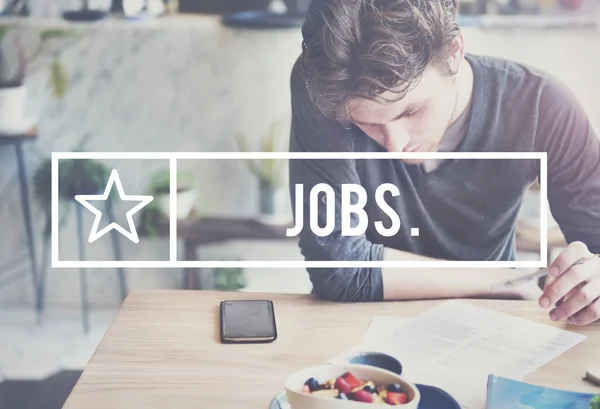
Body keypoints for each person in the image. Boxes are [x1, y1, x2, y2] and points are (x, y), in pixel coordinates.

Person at [288, 0, 600, 326]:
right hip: (365, 329)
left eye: (410, 111)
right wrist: (502, 280)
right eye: (363, 123)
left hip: (497, 325)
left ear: (454, 51)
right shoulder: (329, 85)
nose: (395, 147)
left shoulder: (541, 104)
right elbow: (338, 269)